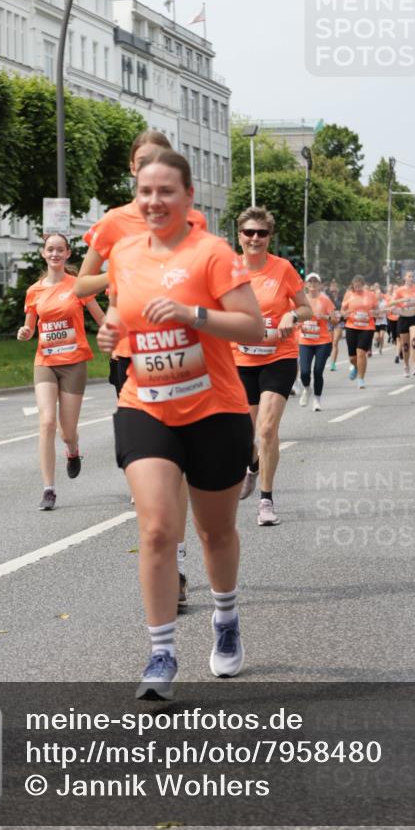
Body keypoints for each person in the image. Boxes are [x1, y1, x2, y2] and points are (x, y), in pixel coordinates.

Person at [97, 149, 262, 699]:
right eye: (145, 192)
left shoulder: (212, 253)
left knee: (215, 532)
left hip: (214, 408)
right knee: (158, 529)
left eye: (166, 191)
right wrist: (110, 331)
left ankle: (226, 617)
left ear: (189, 197)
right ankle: (161, 653)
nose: (154, 201)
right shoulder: (122, 253)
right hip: (145, 403)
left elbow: (254, 327)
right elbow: (124, 315)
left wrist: (194, 315)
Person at [75, 130, 206, 611]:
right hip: (130, 352)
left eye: (160, 161)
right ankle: (166, 552)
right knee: (154, 469)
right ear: (133, 169)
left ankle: (179, 558)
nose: (150, 169)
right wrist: (124, 272)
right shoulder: (112, 223)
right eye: (142, 162)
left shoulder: (191, 218)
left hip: (179, 350)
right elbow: (80, 285)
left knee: (181, 468)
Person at [231, 207, 312, 524]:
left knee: (266, 429)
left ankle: (266, 500)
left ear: (269, 237)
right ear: (239, 235)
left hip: (278, 357)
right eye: (249, 232)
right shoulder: (227, 270)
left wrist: (292, 316)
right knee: (244, 435)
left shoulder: (283, 269)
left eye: (261, 233)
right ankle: (251, 463)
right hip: (239, 359)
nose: (255, 238)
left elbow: (307, 308)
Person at [17, 234, 104, 510]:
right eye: (50, 249)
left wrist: (116, 337)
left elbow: (101, 319)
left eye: (60, 250)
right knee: (46, 422)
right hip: (45, 362)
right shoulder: (34, 291)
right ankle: (49, 489)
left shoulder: (79, 286)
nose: (54, 253)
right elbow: (30, 326)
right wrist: (25, 332)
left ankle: (72, 449)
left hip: (74, 363)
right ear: (43, 254)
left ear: (67, 254)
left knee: (67, 432)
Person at [298, 273, 337, 411]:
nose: (313, 284)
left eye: (315, 282)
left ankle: (317, 400)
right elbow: (294, 316)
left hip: (322, 342)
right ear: (306, 284)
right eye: (310, 282)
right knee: (304, 372)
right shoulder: (301, 300)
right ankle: (307, 389)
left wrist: (324, 317)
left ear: (319, 285)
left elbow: (335, 320)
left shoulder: (325, 300)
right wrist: (296, 323)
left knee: (318, 371)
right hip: (305, 341)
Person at [340, 275, 378, 389]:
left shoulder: (370, 295)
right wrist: (344, 314)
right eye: (355, 286)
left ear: (363, 285)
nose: (357, 288)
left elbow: (376, 309)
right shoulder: (349, 295)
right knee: (352, 357)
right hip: (351, 326)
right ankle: (356, 367)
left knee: (361, 353)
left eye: (359, 286)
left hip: (367, 327)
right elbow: (343, 310)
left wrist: (374, 313)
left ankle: (361, 379)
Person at [390, 271, 415, 377]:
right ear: (405, 278)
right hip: (403, 318)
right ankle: (406, 365)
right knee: (405, 345)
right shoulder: (399, 290)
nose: (411, 278)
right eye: (409, 276)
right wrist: (403, 300)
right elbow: (391, 303)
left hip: (414, 318)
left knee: (413, 341)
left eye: (412, 276)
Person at [328, 279, 344, 371]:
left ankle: (333, 364)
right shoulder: (327, 297)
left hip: (339, 322)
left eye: (335, 287)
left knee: (335, 343)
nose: (334, 289)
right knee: (330, 343)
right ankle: (331, 359)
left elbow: (345, 308)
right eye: (332, 287)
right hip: (330, 322)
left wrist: (341, 314)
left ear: (338, 288)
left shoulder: (342, 297)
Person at [372, 282, 388, 354]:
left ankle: (380, 349)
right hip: (376, 322)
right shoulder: (374, 302)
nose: (379, 295)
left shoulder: (385, 302)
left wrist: (385, 311)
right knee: (376, 337)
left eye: (380, 293)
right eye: (378, 294)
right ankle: (377, 342)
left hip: (383, 321)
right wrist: (377, 315)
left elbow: (388, 310)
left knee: (381, 336)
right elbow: (371, 312)